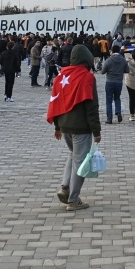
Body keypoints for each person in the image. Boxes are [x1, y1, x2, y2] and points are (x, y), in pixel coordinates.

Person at [47, 45, 102, 211]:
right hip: (81, 127)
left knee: (73, 156)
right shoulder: (87, 77)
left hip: (64, 126)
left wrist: (57, 126)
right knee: (80, 162)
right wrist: (96, 131)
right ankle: (73, 199)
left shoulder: (61, 76)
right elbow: (91, 106)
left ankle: (65, 187)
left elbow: (56, 101)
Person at [100, 47, 128, 124]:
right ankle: (118, 112)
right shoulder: (123, 59)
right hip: (119, 82)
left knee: (109, 101)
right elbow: (127, 70)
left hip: (109, 82)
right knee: (117, 98)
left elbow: (103, 71)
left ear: (112, 51)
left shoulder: (109, 60)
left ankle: (109, 119)